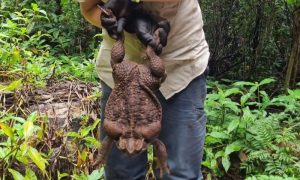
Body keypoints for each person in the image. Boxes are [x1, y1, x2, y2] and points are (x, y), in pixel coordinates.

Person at [79, 0, 210, 179]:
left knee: (179, 173)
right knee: (121, 174)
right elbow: (89, 8)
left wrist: (130, 9)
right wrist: (111, 19)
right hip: (120, 75)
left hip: (179, 66)